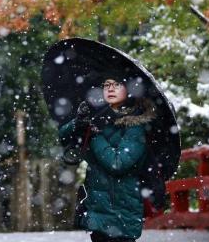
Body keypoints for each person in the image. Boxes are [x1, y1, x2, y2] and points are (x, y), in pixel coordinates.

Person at [58, 74, 156, 242]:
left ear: (129, 90)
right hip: (97, 207)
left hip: (121, 210)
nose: (110, 88)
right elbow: (63, 137)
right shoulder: (97, 116)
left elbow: (117, 163)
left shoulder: (136, 125)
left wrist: (96, 137)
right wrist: (78, 122)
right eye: (106, 85)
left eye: (117, 84)